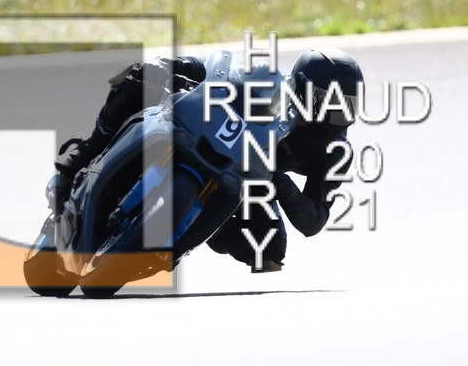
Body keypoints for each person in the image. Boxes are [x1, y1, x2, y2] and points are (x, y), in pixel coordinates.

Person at [47, 48, 364, 272]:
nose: (337, 116)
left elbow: (313, 220)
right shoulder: (271, 86)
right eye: (329, 103)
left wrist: (276, 179)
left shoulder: (335, 152)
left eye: (348, 106)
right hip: (209, 130)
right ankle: (79, 162)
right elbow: (218, 71)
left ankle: (176, 239)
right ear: (302, 90)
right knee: (141, 80)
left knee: (268, 248)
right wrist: (175, 66)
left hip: (246, 178)